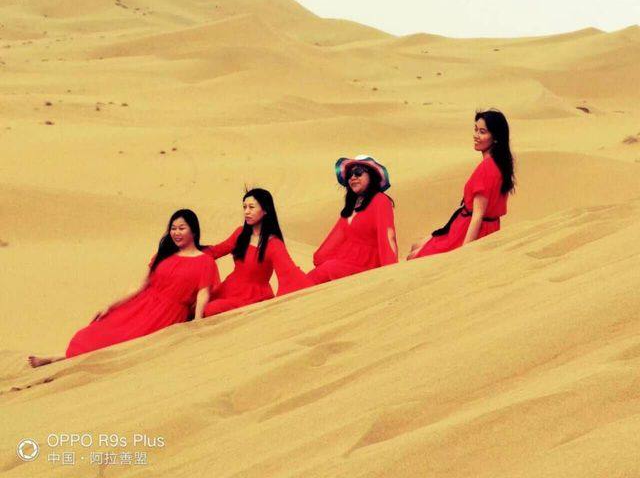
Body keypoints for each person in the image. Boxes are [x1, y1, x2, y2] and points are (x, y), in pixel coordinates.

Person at [28, 209, 219, 367]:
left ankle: (56, 358)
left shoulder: (205, 261)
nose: (176, 233)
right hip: (142, 305)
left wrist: (197, 322)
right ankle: (58, 356)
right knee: (101, 333)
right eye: (173, 228)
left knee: (123, 343)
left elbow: (203, 294)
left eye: (182, 228)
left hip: (166, 315)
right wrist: (110, 305)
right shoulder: (163, 255)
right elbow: (139, 286)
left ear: (194, 231)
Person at [408, 110, 515, 260]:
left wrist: (463, 255)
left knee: (414, 257)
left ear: (495, 137)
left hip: (470, 230)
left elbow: (478, 215)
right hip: (478, 226)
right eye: (476, 129)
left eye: (482, 132)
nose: (476, 135)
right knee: (416, 246)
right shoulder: (500, 164)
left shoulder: (487, 168)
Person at [202, 188, 311, 317]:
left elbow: (290, 273)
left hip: (252, 297)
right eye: (244, 207)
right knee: (196, 306)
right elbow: (216, 251)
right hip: (229, 287)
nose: (246, 211)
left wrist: (314, 292)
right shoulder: (240, 233)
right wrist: (188, 251)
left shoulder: (273, 244)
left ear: (265, 210)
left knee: (210, 310)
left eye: (251, 207)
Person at [307, 155, 398, 284]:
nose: (353, 177)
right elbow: (336, 237)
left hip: (366, 266)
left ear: (371, 176)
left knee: (327, 269)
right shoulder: (352, 206)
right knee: (311, 276)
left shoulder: (380, 200)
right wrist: (320, 258)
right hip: (345, 260)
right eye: (350, 174)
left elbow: (387, 236)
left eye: (358, 172)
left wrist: (390, 272)